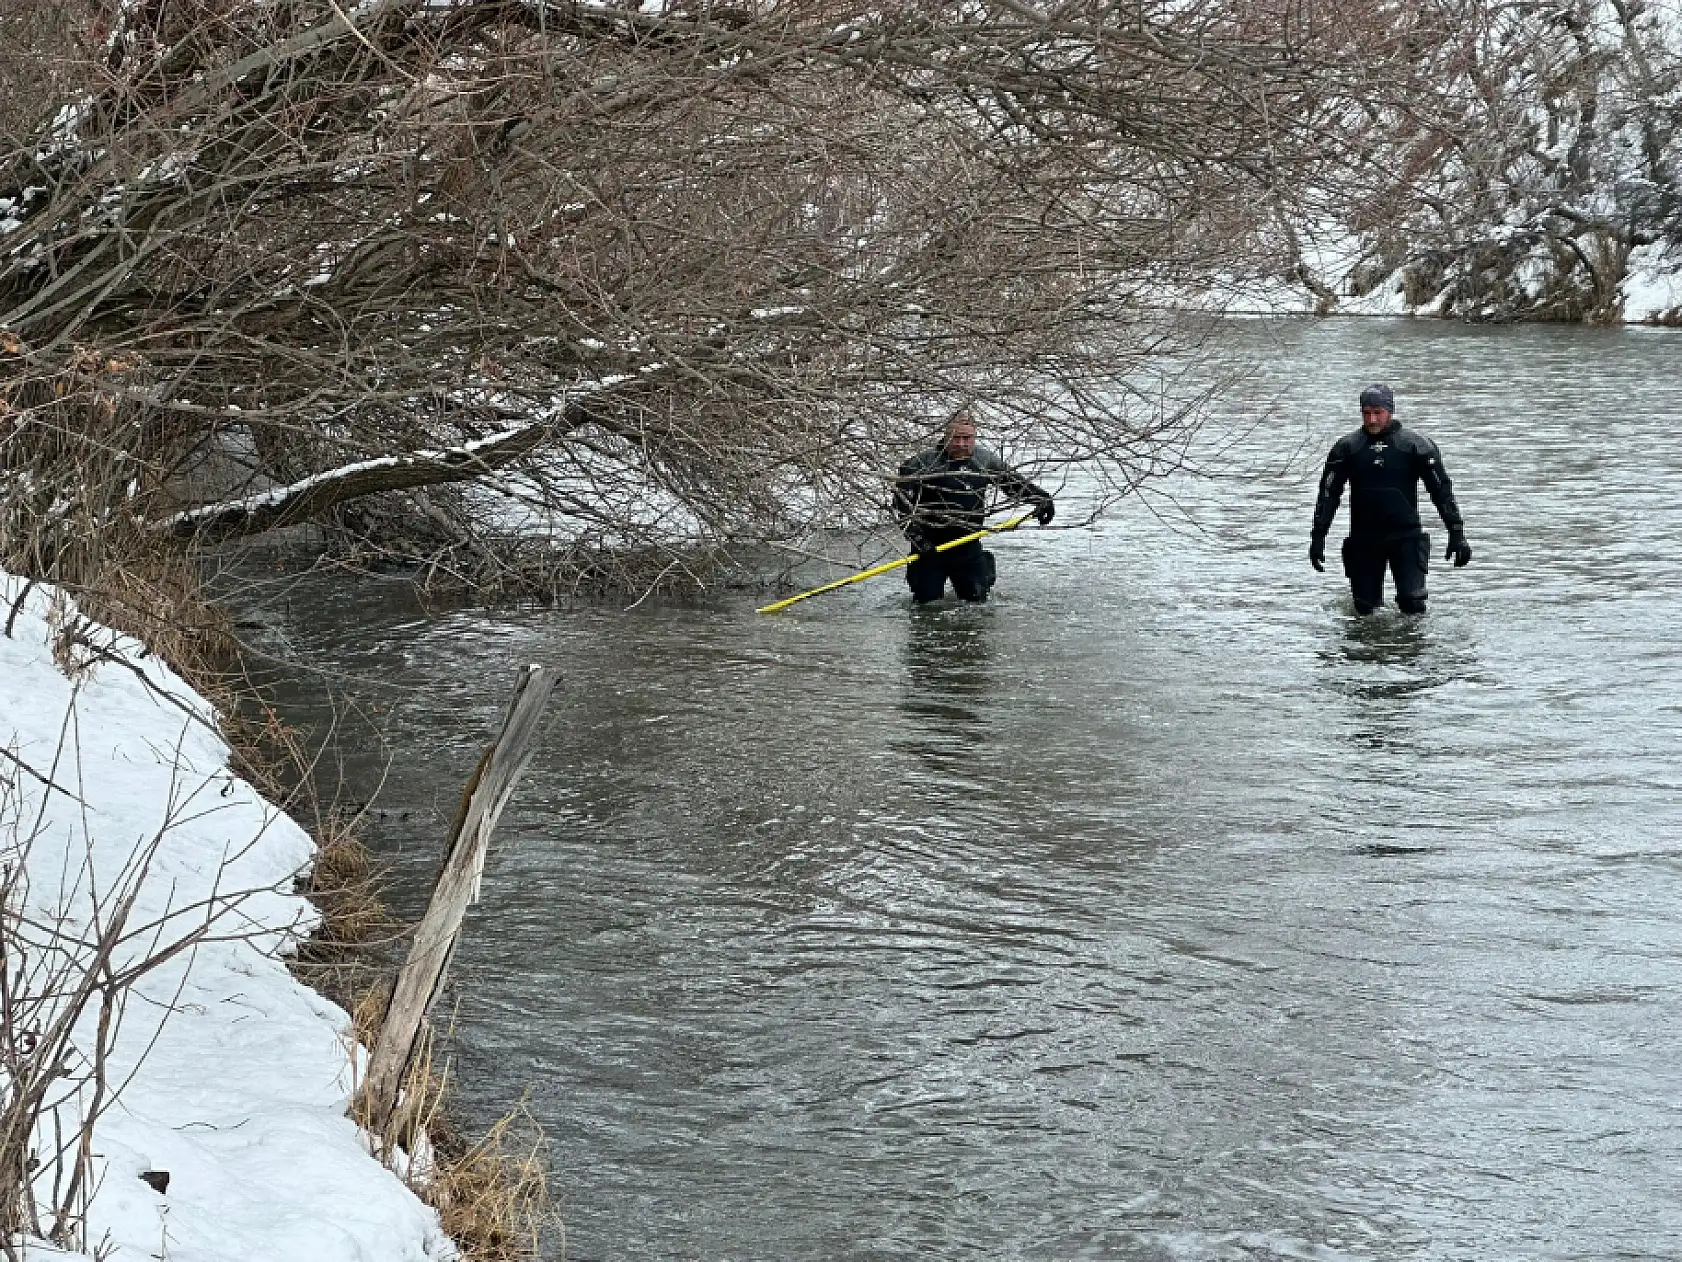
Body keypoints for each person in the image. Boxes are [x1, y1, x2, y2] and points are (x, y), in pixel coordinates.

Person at [1309, 383, 1472, 615]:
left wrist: (1457, 533)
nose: (1372, 419)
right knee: (1365, 611)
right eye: (1367, 413)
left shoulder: (1416, 446)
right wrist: (1318, 537)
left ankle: (1411, 649)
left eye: (1378, 412)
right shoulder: (1347, 448)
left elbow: (1441, 491)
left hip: (1406, 537)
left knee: (1412, 604)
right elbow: (1328, 494)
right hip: (1364, 539)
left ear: (1390, 411)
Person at [892, 412, 1054, 603]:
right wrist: (918, 539)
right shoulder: (921, 464)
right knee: (926, 604)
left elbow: (1015, 485)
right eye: (956, 438)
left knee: (977, 602)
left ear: (974, 437)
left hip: (969, 545)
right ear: (946, 437)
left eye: (967, 438)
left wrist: (1042, 500)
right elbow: (900, 507)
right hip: (930, 548)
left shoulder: (984, 461)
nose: (961, 444)